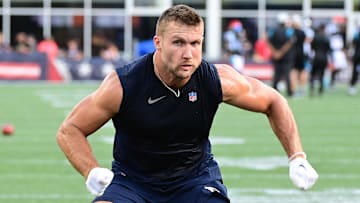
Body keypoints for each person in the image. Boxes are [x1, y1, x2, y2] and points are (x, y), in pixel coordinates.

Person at [56, 4, 318, 203]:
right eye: (178, 42)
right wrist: (91, 171)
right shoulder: (123, 84)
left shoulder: (216, 79)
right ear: (158, 43)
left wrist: (297, 157)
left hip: (195, 180)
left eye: (195, 43)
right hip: (133, 183)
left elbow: (274, 100)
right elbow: (70, 129)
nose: (188, 53)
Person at [267, 12, 296, 97]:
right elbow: (290, 42)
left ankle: (274, 91)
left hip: (276, 56)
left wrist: (275, 52)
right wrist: (281, 52)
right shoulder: (289, 30)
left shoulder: (272, 30)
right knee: (287, 74)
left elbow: (267, 40)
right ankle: (290, 92)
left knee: (276, 74)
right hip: (286, 56)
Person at [309, 24, 331, 97]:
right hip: (324, 57)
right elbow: (329, 49)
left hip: (316, 57)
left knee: (313, 74)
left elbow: (312, 47)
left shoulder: (315, 37)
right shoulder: (326, 38)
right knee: (321, 74)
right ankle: (320, 90)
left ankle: (312, 89)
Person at [290, 14, 307, 97]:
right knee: (302, 71)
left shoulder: (290, 32)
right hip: (301, 53)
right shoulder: (302, 32)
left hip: (293, 54)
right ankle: (302, 90)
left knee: (294, 72)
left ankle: (293, 91)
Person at [348, 23, 360, 95]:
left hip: (356, 55)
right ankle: (352, 87)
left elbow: (352, 44)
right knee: (355, 72)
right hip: (357, 55)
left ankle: (352, 87)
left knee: (355, 72)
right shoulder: (356, 35)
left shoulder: (356, 35)